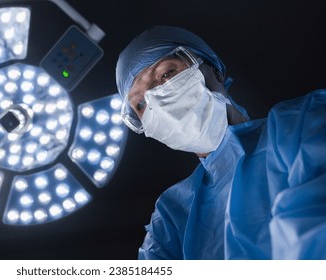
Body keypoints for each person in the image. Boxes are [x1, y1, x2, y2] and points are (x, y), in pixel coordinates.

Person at [116, 25, 326, 259]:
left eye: (166, 74)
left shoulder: (299, 124)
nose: (156, 100)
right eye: (141, 105)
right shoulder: (171, 217)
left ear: (214, 70)